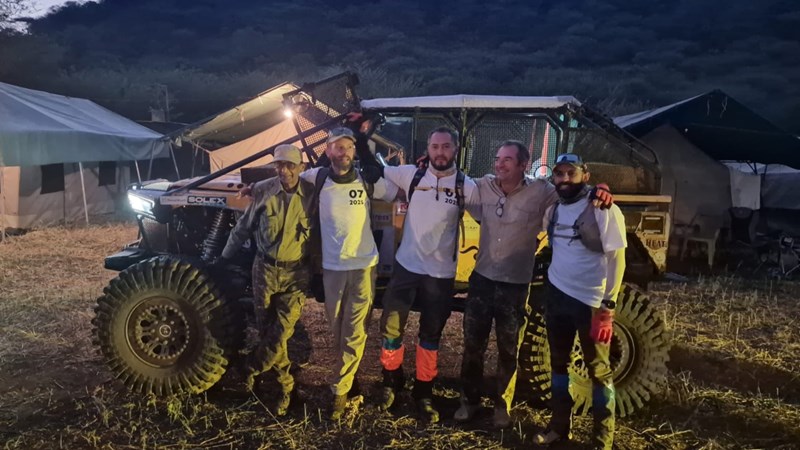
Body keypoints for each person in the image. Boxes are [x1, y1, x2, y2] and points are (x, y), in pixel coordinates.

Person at [455, 142, 613, 429]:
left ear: (523, 165)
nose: (500, 164)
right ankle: (469, 401)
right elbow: (452, 181)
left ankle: (502, 406)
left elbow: (572, 190)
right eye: (498, 158)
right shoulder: (483, 185)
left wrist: (599, 189)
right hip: (482, 280)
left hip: (515, 284)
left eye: (507, 160)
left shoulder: (541, 191)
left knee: (509, 349)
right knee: (472, 345)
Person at [377, 126, 478, 423]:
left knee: (430, 335)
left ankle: (424, 392)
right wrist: (360, 134)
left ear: (456, 149)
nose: (440, 152)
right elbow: (377, 171)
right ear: (428, 149)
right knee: (391, 328)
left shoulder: (466, 185)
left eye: (446, 146)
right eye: (435, 146)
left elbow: (492, 212)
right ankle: (391, 381)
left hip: (440, 274)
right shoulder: (411, 174)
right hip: (406, 266)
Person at [300, 127, 397, 420]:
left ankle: (339, 393)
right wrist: (254, 189)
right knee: (338, 330)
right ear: (328, 151)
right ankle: (350, 381)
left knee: (354, 332)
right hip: (332, 268)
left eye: (349, 147)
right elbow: (286, 179)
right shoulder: (317, 178)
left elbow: (396, 192)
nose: (344, 153)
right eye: (338, 147)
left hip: (363, 267)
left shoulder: (366, 180)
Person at [533, 153, 626, 450]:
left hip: (590, 301)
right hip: (557, 294)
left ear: (585, 175)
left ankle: (602, 439)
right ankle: (559, 427)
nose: (564, 179)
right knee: (558, 364)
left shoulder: (603, 209)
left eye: (570, 173)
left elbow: (617, 259)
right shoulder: (554, 210)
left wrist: (608, 307)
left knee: (598, 370)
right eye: (559, 174)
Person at [218, 144, 314, 417]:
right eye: (279, 165)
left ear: (301, 167)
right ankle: (284, 387)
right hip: (265, 270)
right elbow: (243, 228)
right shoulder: (264, 190)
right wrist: (223, 259)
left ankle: (249, 367)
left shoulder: (313, 194)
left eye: (290, 165)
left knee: (280, 332)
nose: (284, 171)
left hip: (296, 275)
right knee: (268, 332)